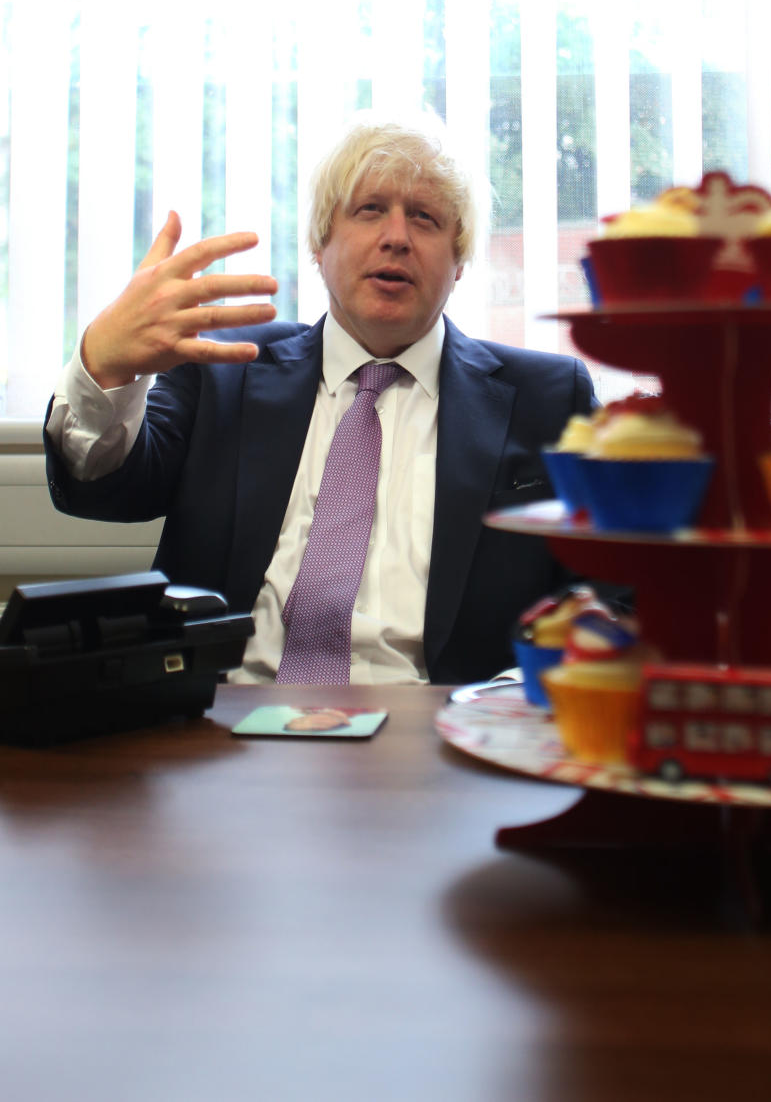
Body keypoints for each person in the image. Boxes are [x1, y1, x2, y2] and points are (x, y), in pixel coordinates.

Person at [45, 116, 597, 685]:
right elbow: (103, 487)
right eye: (369, 209)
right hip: (224, 728)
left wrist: (510, 701)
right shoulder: (223, 369)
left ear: (458, 262)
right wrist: (105, 366)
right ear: (318, 243)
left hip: (442, 738)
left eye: (425, 218)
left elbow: (611, 601)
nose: (397, 237)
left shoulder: (550, 400)